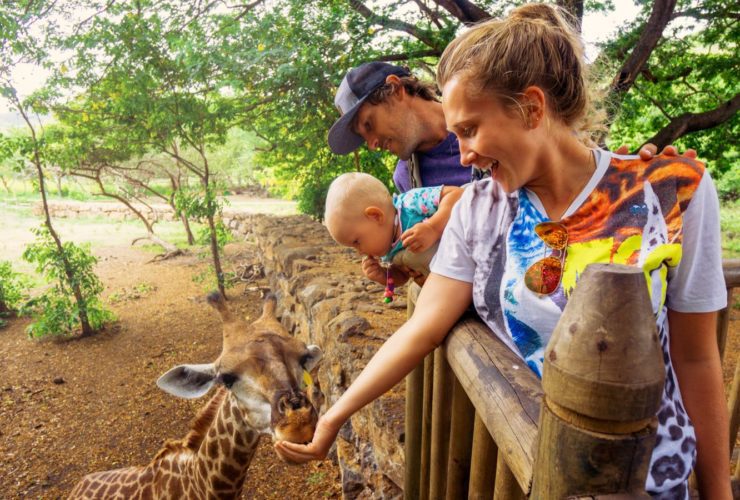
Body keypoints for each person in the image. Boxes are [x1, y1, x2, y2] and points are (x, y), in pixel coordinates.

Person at [278, 4, 730, 499]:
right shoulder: (478, 208)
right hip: (531, 473)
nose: (465, 154)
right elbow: (422, 329)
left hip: (651, 480)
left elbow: (696, 358)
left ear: (532, 108)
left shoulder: (674, 190)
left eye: (470, 130)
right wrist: (337, 415)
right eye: (457, 135)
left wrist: (718, 492)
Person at [324, 172, 463, 288]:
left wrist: (433, 227)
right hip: (451, 285)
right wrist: (384, 275)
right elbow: (403, 277)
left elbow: (457, 195)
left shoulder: (410, 203)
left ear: (375, 216)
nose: (360, 252)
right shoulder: (388, 250)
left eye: (356, 241)